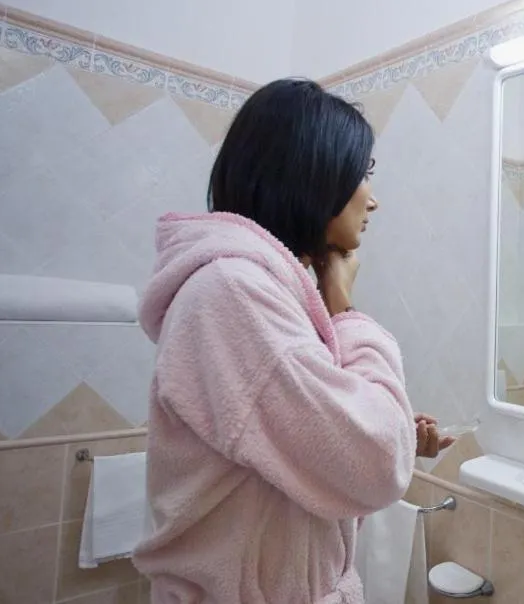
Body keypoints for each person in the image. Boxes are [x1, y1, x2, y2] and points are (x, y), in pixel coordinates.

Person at [132, 79, 454, 603]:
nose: (373, 199)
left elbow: (321, 450)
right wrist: (344, 308)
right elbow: (376, 464)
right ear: (314, 174)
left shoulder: (258, 290)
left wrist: (391, 428)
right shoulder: (235, 293)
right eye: (364, 173)